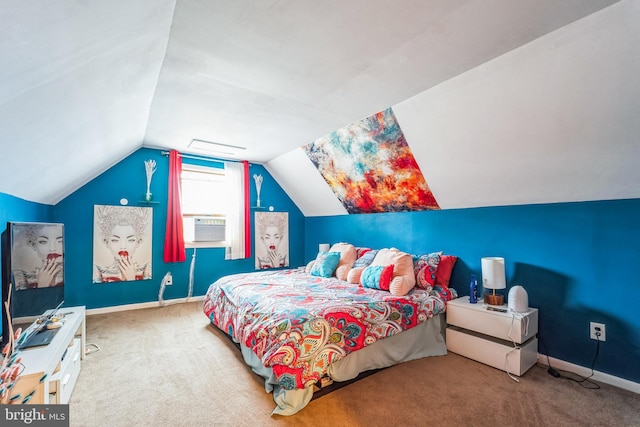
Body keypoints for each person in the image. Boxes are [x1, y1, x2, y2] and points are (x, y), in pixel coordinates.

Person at [93, 206, 151, 283]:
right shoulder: (98, 271)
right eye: (115, 240)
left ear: (138, 242)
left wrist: (131, 277)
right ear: (106, 242)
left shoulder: (147, 268)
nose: (123, 247)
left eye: (131, 240)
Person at [12, 223, 64, 290]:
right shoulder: (21, 276)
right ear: (34, 245)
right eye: (43, 242)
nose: (52, 248)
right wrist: (42, 285)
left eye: (60, 241)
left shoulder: (75, 271)